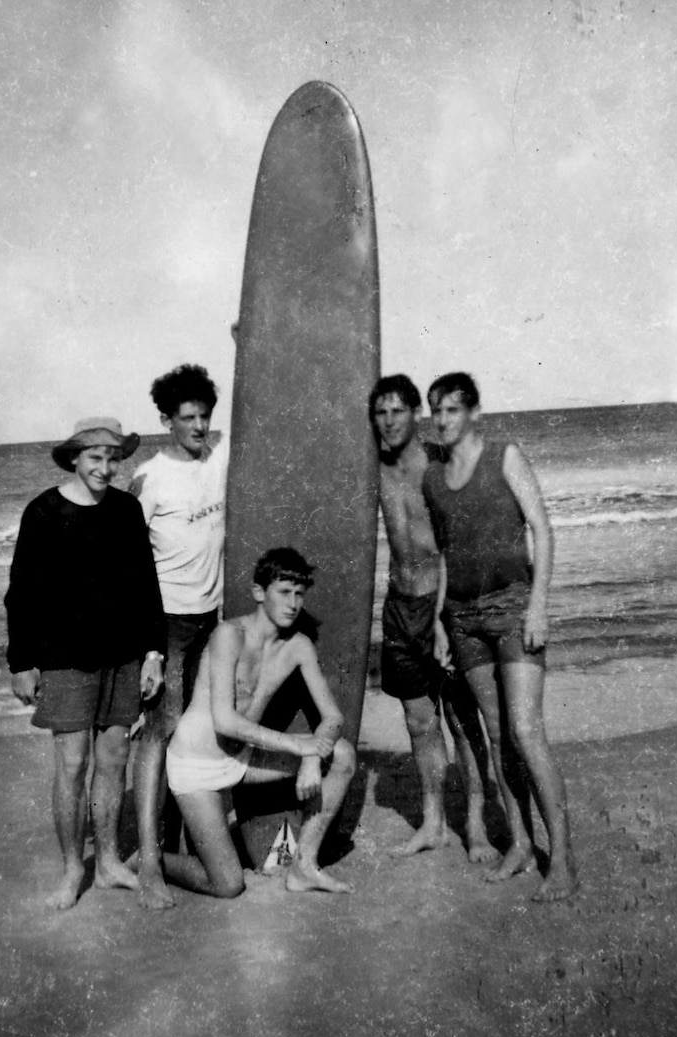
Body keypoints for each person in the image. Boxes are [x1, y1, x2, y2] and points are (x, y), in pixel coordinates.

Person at [422, 372, 578, 902]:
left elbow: (543, 528)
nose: (441, 420)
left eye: (451, 410)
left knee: (527, 733)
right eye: (435, 410)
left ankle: (562, 862)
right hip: (463, 620)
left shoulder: (505, 456)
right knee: (495, 737)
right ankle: (519, 845)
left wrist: (539, 605)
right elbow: (445, 555)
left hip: (513, 607)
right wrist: (443, 621)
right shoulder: (433, 479)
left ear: (474, 413)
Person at [5, 418, 166, 910]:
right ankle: (74, 866)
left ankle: (111, 862)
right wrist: (21, 662)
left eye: (113, 457)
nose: (105, 466)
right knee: (72, 765)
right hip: (64, 659)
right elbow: (22, 593)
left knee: (113, 761)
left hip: (122, 656)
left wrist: (153, 653)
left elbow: (145, 588)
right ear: (74, 458)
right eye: (95, 456)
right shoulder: (43, 511)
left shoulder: (126, 509)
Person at [160, 547, 356, 898]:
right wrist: (299, 745)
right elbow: (225, 721)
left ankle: (303, 867)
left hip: (242, 761)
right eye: (284, 592)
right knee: (227, 885)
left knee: (341, 755)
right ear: (258, 593)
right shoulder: (228, 635)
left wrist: (312, 756)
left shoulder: (298, 646)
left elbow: (333, 716)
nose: (293, 603)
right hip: (197, 766)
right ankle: (152, 861)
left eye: (299, 594)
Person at [370, 375, 497, 863]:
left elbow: (464, 533)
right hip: (399, 604)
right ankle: (433, 822)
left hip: (441, 605)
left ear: (415, 414)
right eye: (381, 412)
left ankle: (477, 825)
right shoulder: (371, 470)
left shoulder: (436, 462)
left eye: (399, 410)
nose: (389, 420)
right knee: (419, 721)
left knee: (463, 722)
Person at [128, 363, 228, 909]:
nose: (198, 426)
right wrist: (145, 648)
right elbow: (127, 562)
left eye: (204, 416)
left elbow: (259, 413)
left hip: (212, 619)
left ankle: (188, 839)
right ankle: (148, 863)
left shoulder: (220, 457)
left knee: (199, 730)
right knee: (159, 733)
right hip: (166, 625)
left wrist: (246, 346)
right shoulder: (150, 477)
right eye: (187, 418)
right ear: (166, 420)